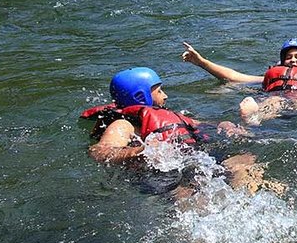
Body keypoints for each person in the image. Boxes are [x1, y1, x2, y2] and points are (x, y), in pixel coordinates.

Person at [81, 67, 284, 197]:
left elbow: (198, 124)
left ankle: (247, 197)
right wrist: (136, 152)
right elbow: (99, 151)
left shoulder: (169, 116)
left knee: (244, 159)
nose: (165, 96)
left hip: (193, 158)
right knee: (190, 197)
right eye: (159, 91)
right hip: (162, 173)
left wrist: (222, 124)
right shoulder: (123, 125)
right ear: (140, 96)